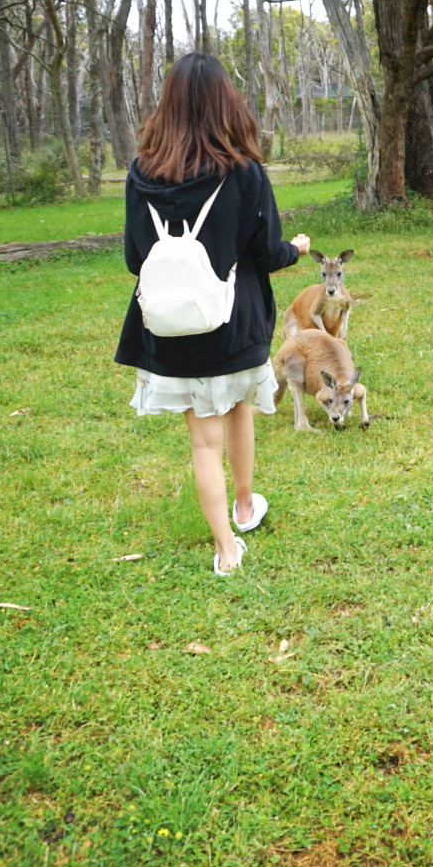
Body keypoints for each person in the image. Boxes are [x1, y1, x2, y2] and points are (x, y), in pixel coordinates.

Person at [116, 53, 310, 576]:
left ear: (168, 105)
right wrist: (296, 247)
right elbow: (268, 254)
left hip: (170, 332)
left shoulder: (141, 174)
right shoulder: (245, 173)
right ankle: (244, 507)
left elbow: (137, 259)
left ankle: (227, 547)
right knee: (240, 406)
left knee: (204, 438)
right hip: (233, 324)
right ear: (226, 102)